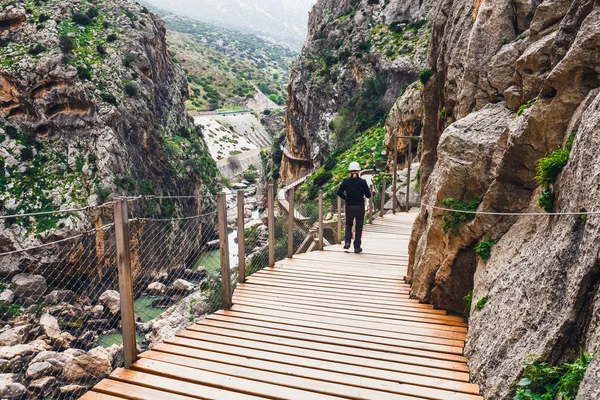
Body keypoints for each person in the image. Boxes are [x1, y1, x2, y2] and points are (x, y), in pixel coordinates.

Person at [337, 162, 372, 253]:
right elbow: (368, 195)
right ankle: (357, 247)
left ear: (350, 171)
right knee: (359, 227)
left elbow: (339, 193)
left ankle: (347, 242)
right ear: (359, 170)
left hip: (349, 207)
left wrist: (346, 198)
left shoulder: (346, 181)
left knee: (349, 224)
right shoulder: (362, 182)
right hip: (360, 207)